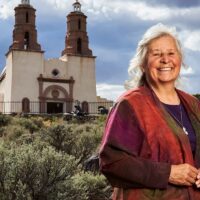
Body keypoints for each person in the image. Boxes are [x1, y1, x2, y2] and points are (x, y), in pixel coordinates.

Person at [99, 23, 200, 200]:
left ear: (180, 60)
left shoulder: (193, 104)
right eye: (156, 54)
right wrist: (167, 173)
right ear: (143, 64)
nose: (165, 60)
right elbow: (111, 162)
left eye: (171, 53)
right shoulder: (130, 104)